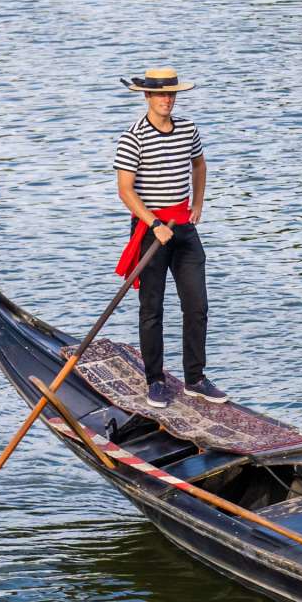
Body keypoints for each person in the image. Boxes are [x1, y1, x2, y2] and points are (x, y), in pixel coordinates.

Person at [113, 66, 226, 408]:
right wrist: (153, 223)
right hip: (151, 231)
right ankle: (155, 380)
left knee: (197, 305)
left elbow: (199, 165)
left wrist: (198, 203)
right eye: (160, 94)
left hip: (183, 228)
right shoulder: (133, 137)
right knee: (152, 309)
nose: (166, 100)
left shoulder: (188, 129)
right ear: (147, 96)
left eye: (171, 94)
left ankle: (195, 378)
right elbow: (125, 190)